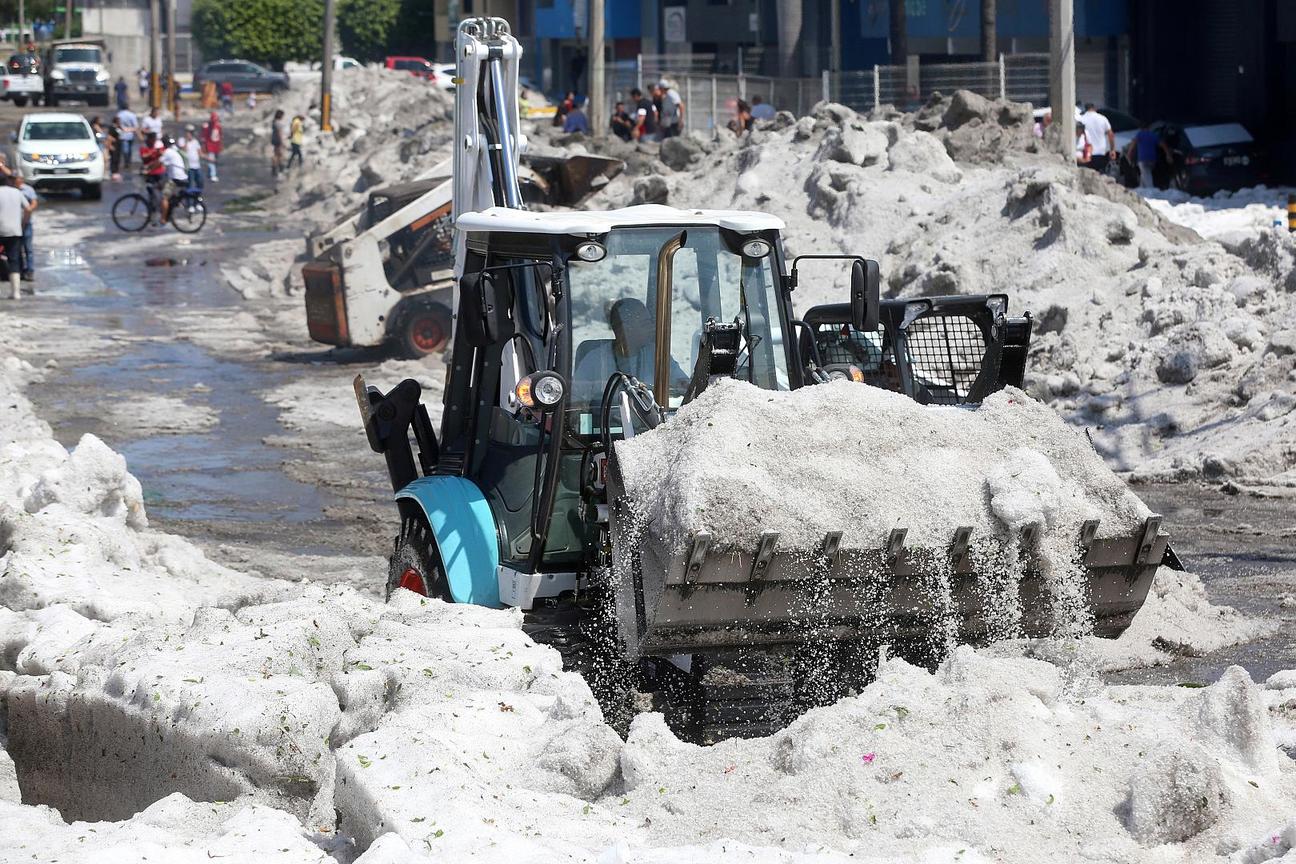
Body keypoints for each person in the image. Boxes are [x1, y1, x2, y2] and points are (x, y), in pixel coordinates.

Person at [0, 175, 33, 300]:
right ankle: (16, 293)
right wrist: (23, 223)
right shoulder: (17, 192)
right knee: (14, 260)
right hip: (15, 231)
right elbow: (28, 209)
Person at [1125, 121, 1171, 189]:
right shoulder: (1153, 135)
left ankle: (1151, 190)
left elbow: (1133, 144)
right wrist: (1168, 154)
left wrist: (1129, 154)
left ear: (1141, 128)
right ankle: (1141, 189)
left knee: (1146, 175)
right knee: (1144, 174)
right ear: (1149, 128)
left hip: (1142, 159)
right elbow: (1163, 144)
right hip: (1152, 159)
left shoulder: (1140, 134)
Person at [158, 136, 188, 224]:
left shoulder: (168, 152)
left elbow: (159, 163)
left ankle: (163, 219)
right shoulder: (175, 150)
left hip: (176, 178)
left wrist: (148, 169)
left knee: (164, 197)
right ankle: (172, 207)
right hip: (183, 177)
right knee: (169, 192)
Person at [1079, 103, 1114, 173]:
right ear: (1095, 109)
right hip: (1100, 152)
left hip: (1085, 153)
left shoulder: (1081, 119)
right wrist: (1112, 149)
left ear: (1085, 109)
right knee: (1100, 175)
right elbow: (1110, 134)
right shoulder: (1103, 118)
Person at [14, 173, 35, 282]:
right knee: (17, 249)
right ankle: (20, 271)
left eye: (19, 178)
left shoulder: (28, 190)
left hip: (26, 223)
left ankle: (30, 271)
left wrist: (29, 210)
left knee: (28, 248)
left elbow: (32, 204)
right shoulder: (12, 190)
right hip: (14, 224)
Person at [201, 112, 222, 182]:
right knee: (211, 161)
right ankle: (213, 175)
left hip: (216, 146)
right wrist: (204, 145)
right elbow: (204, 137)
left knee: (215, 161)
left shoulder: (218, 126)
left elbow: (220, 136)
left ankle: (210, 173)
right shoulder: (207, 127)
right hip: (210, 146)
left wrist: (220, 145)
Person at [180, 124, 203, 189]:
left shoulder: (195, 141)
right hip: (188, 166)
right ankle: (189, 198)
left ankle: (197, 196)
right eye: (188, 132)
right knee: (190, 183)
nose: (189, 134)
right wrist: (187, 140)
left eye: (191, 132)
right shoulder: (182, 140)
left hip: (197, 166)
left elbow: (200, 153)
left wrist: (210, 159)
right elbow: (183, 150)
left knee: (200, 182)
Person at [270, 109, 286, 176]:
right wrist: (282, 141)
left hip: (274, 140)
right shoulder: (278, 123)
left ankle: (276, 168)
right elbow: (279, 133)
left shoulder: (274, 122)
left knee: (277, 154)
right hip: (278, 140)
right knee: (279, 155)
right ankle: (279, 168)